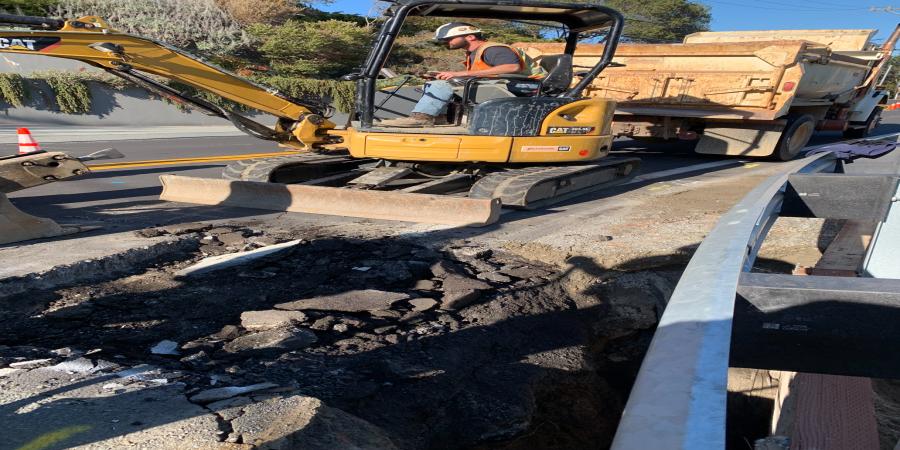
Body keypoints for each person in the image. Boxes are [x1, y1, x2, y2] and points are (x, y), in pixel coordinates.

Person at [379, 22, 543, 128]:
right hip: (506, 83)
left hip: (525, 86)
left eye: (449, 38)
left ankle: (422, 118)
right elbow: (481, 74)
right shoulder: (474, 53)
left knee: (444, 84)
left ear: (470, 36)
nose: (445, 42)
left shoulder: (493, 49)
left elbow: (512, 67)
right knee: (437, 83)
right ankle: (440, 117)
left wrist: (458, 74)